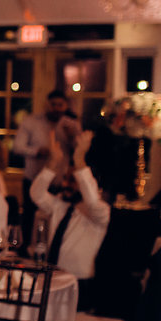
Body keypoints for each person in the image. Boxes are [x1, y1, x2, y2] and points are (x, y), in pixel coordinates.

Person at [30, 130, 110, 310]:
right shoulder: (60, 205)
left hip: (81, 284)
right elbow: (36, 194)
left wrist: (80, 160)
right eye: (66, 178)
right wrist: (51, 164)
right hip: (53, 277)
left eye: (73, 181)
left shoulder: (99, 213)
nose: (66, 184)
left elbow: (91, 199)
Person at [14, 90, 81, 247]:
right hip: (34, 178)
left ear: (65, 106)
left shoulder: (71, 124)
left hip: (59, 181)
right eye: (53, 104)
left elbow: (79, 152)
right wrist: (37, 151)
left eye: (60, 105)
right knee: (30, 218)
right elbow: (17, 147)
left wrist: (71, 137)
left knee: (56, 218)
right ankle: (27, 250)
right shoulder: (31, 122)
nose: (56, 108)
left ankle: (52, 250)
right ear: (47, 104)